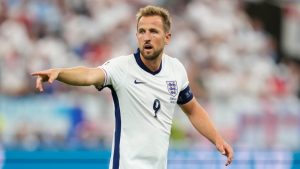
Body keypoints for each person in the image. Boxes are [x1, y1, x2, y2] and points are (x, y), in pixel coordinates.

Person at [31, 5, 233, 169]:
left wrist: (217, 139)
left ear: (167, 38)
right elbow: (90, 75)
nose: (146, 37)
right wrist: (60, 73)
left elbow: (193, 109)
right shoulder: (122, 68)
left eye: (153, 31)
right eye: (141, 31)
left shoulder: (176, 69)